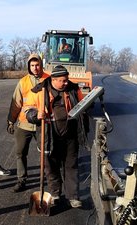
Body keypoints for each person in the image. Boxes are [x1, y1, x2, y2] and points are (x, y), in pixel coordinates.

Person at [24, 65, 88, 208]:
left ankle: (73, 197)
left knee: (71, 165)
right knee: (51, 167)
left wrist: (90, 101)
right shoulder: (39, 91)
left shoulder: (73, 89)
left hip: (70, 135)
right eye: (63, 81)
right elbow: (27, 109)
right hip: (49, 135)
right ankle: (55, 194)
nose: (66, 83)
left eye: (66, 80)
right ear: (53, 80)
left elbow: (83, 105)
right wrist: (35, 115)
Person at [7, 53, 50, 192]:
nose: (35, 68)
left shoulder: (49, 79)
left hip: (42, 123)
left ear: (41, 65)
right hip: (24, 124)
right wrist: (11, 121)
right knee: (20, 153)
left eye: (37, 65)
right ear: (28, 66)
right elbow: (16, 103)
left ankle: (49, 179)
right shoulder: (23, 82)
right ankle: (21, 180)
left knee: (46, 152)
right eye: (32, 65)